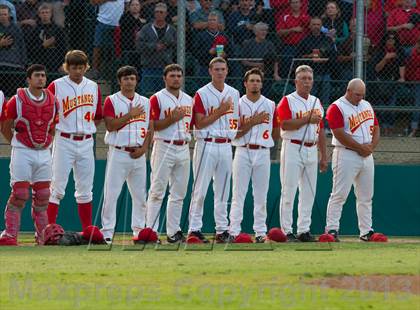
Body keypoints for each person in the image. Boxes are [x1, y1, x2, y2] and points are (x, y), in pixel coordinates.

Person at [0, 64, 58, 246]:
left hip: (44, 153)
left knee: (43, 195)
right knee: (20, 194)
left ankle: (41, 236)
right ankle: (10, 234)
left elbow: (53, 127)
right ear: (28, 79)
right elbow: (5, 126)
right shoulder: (17, 100)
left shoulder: (53, 101)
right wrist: (17, 143)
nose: (41, 78)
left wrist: (46, 142)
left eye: (43, 75)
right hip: (23, 152)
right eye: (37, 75)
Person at [324, 78, 387, 242]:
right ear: (348, 91)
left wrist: (371, 146)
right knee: (339, 194)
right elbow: (338, 133)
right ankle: (331, 229)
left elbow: (377, 127)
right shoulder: (337, 107)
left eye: (362, 94)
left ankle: (366, 231)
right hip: (346, 154)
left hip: (366, 155)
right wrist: (361, 148)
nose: (360, 97)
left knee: (366, 196)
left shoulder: (366, 105)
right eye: (357, 94)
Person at [46, 50, 103, 232]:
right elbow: (47, 112)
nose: (77, 71)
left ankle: (86, 228)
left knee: (86, 188)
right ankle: (48, 228)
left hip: (86, 141)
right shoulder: (56, 86)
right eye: (73, 67)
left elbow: (98, 116)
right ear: (66, 67)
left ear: (86, 67)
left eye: (80, 67)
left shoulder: (93, 86)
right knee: (56, 186)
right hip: (64, 140)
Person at [188, 57, 240, 243]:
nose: (219, 72)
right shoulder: (202, 93)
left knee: (223, 190)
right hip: (206, 143)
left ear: (227, 71)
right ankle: (194, 229)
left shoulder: (234, 93)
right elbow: (200, 123)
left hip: (226, 144)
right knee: (200, 189)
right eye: (216, 69)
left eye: (222, 69)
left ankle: (221, 230)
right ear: (210, 71)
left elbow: (236, 120)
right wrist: (220, 110)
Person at [100, 66, 152, 244]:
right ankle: (107, 231)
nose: (129, 81)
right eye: (125, 78)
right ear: (119, 81)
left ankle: (138, 232)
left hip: (138, 152)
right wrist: (130, 115)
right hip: (119, 151)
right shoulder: (112, 100)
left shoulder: (145, 101)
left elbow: (149, 127)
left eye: (132, 78)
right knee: (111, 194)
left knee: (140, 196)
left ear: (137, 80)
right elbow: (110, 126)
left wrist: (145, 148)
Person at [276, 65, 327, 242]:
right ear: (296, 81)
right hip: (293, 146)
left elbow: (320, 130)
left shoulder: (316, 101)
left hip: (312, 148)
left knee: (308, 192)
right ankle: (286, 230)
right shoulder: (287, 100)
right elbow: (284, 124)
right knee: (288, 190)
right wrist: (307, 119)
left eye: (309, 78)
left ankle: (304, 229)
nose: (306, 81)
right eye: (303, 78)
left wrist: (324, 155)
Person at [229, 68, 280, 243]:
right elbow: (234, 133)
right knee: (238, 193)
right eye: (252, 80)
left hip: (262, 151)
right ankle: (234, 231)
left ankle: (260, 232)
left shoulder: (270, 104)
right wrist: (252, 122)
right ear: (245, 83)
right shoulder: (237, 104)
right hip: (243, 150)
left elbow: (275, 130)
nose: (255, 83)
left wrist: (269, 147)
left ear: (262, 84)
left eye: (258, 80)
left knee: (260, 195)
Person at [146, 64, 193, 243]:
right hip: (163, 145)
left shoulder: (189, 99)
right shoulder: (157, 98)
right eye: (172, 75)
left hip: (183, 147)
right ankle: (151, 231)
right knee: (157, 191)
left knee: (179, 193)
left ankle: (174, 232)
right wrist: (171, 119)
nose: (176, 78)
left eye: (179, 75)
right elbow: (153, 126)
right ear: (164, 78)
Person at [136, 2, 177, 95]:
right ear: (154, 13)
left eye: (161, 12)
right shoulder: (146, 28)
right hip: (149, 67)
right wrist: (154, 46)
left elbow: (178, 45)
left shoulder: (172, 29)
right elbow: (138, 45)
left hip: (166, 67)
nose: (159, 14)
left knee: (165, 95)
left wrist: (167, 44)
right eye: (157, 12)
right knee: (147, 94)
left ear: (166, 14)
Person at [371, 32, 406, 136]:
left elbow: (402, 65)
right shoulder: (379, 51)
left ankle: (390, 128)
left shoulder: (399, 51)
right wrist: (385, 59)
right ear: (385, 40)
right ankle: (383, 128)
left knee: (392, 106)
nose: (391, 41)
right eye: (389, 39)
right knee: (381, 108)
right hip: (380, 81)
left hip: (392, 81)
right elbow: (376, 69)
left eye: (393, 39)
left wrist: (402, 77)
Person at [296, 16, 336, 106]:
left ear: (321, 26)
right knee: (310, 97)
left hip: (325, 71)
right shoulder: (304, 40)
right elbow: (298, 56)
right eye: (314, 24)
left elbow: (333, 55)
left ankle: (324, 116)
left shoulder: (327, 40)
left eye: (318, 24)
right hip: (309, 73)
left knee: (325, 97)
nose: (316, 26)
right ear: (310, 26)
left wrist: (322, 56)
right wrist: (309, 56)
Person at [90, 0, 125, 78]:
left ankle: (117, 70)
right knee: (98, 46)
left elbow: (127, 5)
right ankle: (95, 70)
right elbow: (93, 2)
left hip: (119, 23)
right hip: (102, 21)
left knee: (118, 47)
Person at [30, 3, 67, 72]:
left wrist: (62, 63)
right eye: (42, 13)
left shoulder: (58, 29)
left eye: (47, 12)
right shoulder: (35, 30)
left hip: (55, 62)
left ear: (51, 14)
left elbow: (63, 47)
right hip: (40, 61)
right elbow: (31, 49)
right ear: (39, 15)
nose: (45, 14)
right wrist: (43, 45)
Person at [0, 4, 27, 98]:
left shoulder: (16, 28)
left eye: (4, 14)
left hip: (15, 64)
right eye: (0, 14)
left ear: (9, 15)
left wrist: (23, 64)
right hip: (1, 64)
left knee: (13, 95)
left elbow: (22, 47)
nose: (2, 17)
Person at [193, 12, 232, 76]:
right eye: (210, 20)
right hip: (205, 64)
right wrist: (208, 52)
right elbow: (195, 52)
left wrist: (225, 54)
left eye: (214, 20)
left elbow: (231, 51)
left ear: (218, 22)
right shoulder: (200, 35)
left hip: (221, 64)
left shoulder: (225, 36)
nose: (211, 22)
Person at [406, 37, 420, 137]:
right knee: (416, 105)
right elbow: (412, 64)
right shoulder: (413, 53)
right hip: (416, 82)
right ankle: (414, 129)